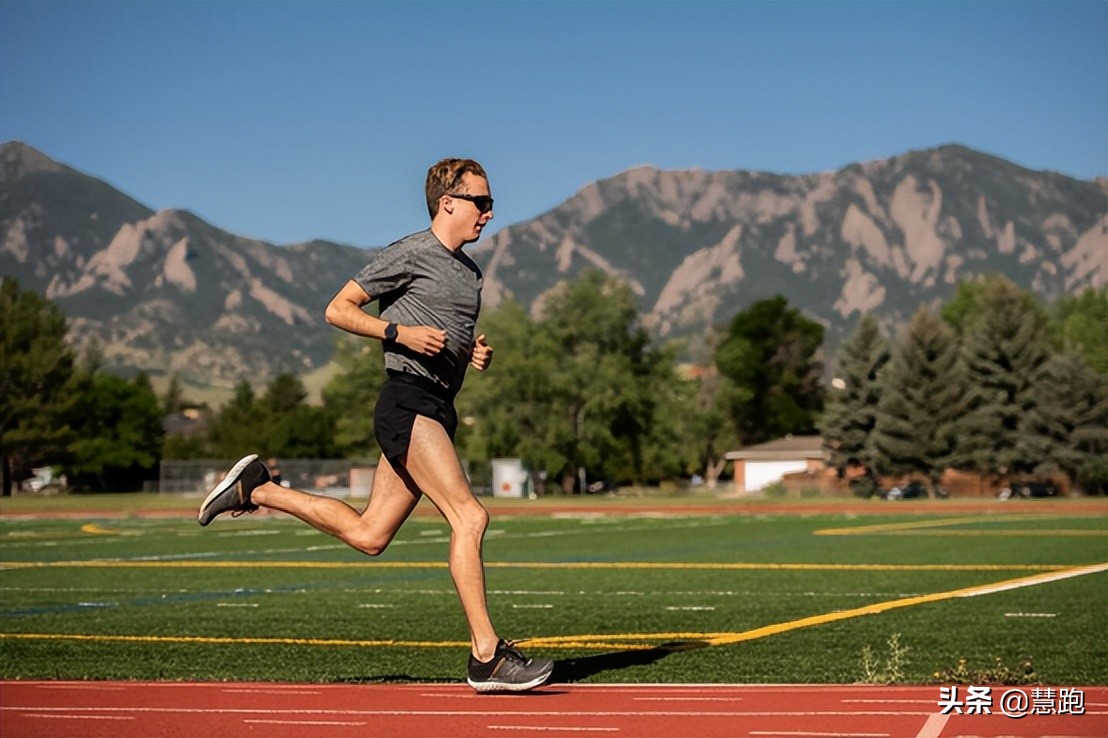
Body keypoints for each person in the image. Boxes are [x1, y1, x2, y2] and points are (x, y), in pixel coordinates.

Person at [197, 158, 553, 693]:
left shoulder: (469, 272)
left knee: (370, 535)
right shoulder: (413, 252)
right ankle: (487, 655)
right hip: (408, 403)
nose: (489, 212)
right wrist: (398, 334)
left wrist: (469, 350)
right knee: (470, 516)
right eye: (481, 201)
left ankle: (261, 490)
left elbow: (446, 329)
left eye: (491, 202)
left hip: (437, 406)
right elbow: (338, 309)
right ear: (448, 202)